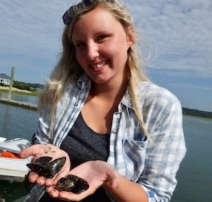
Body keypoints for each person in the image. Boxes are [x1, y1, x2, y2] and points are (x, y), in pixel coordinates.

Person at [20, 0, 186, 201]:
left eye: (102, 37)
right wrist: (45, 151)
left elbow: (157, 196)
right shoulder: (60, 93)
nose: (91, 54)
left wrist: (107, 177)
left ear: (129, 36)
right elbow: (42, 142)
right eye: (81, 44)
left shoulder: (160, 106)